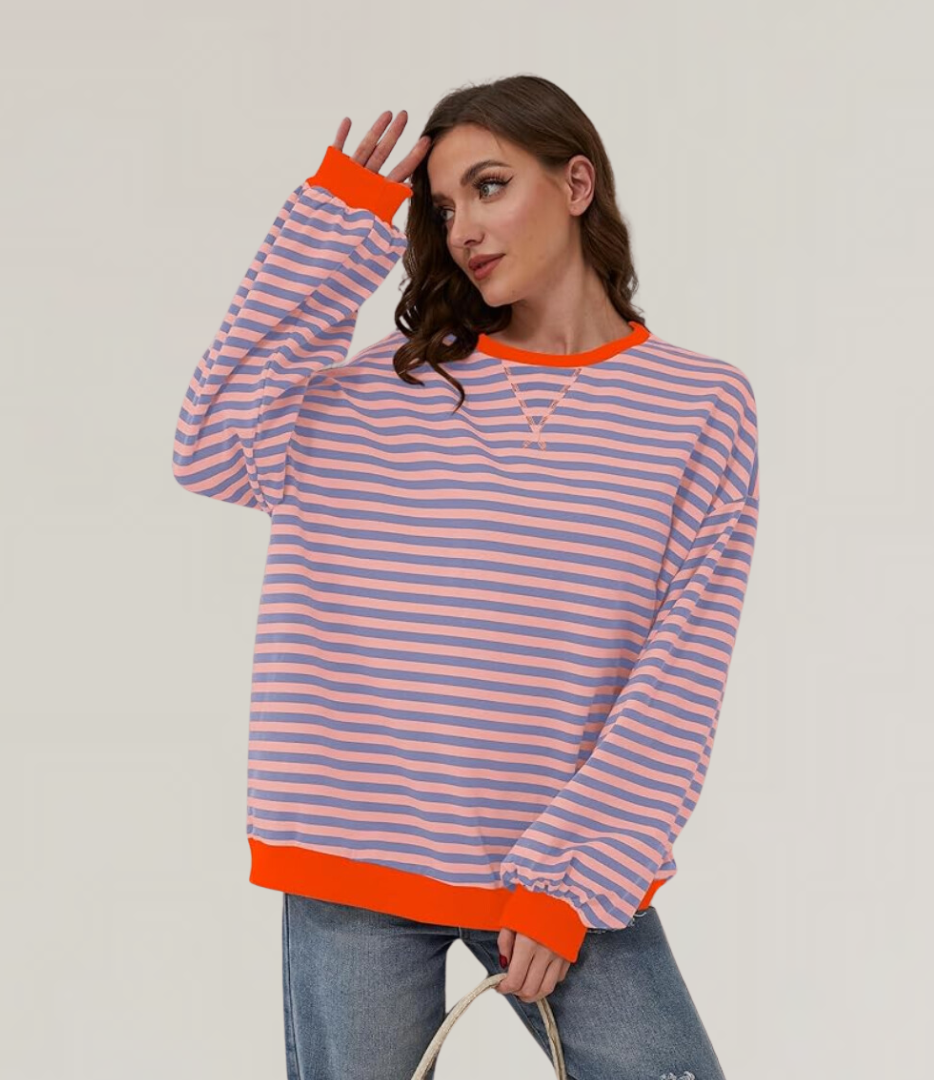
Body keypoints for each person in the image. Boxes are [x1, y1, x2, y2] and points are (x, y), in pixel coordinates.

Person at [172, 74, 759, 1080]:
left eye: (490, 186)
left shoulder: (700, 406)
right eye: (443, 209)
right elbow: (212, 445)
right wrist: (335, 230)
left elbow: (681, 673)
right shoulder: (384, 389)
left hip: (560, 870)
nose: (465, 229)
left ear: (575, 183)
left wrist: (570, 882)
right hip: (351, 856)